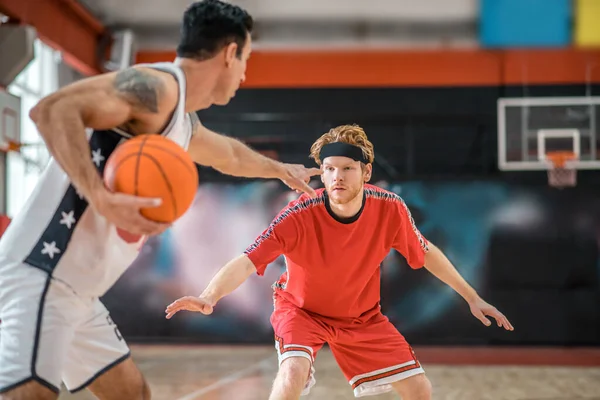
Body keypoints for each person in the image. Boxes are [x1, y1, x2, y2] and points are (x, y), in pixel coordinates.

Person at [0, 1, 321, 399]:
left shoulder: (181, 121)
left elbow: (232, 156)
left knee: (133, 394)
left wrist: (280, 170)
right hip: (41, 273)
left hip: (78, 292)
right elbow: (52, 109)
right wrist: (100, 196)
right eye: (246, 59)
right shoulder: (157, 87)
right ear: (230, 53)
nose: (243, 73)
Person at [165, 124, 514, 400]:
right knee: (291, 375)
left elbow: (428, 254)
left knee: (420, 390)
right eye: (329, 169)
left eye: (347, 168)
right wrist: (209, 295)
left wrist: (472, 297)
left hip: (360, 317)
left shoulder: (390, 209)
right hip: (300, 311)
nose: (337, 177)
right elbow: (246, 260)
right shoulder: (298, 213)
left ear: (366, 172)